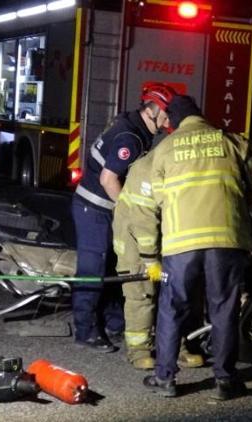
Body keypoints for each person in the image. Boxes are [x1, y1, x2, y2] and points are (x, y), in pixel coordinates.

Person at [139, 95, 252, 400]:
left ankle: (165, 378)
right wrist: (244, 203)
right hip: (226, 238)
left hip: (181, 242)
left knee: (172, 308)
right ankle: (225, 380)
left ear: (174, 122)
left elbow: (158, 197)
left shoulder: (165, 148)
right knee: (223, 308)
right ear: (199, 115)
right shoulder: (231, 141)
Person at [71, 83, 175, 352]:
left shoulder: (131, 124)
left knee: (112, 268)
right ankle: (85, 330)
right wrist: (127, 212)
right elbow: (109, 179)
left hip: (99, 208)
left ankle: (113, 322)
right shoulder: (131, 137)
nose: (170, 120)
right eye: (167, 114)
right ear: (153, 111)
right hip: (95, 210)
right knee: (93, 271)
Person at [112, 148, 204, 370]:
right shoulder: (146, 169)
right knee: (142, 294)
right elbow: (143, 222)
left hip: (167, 237)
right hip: (135, 241)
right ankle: (139, 351)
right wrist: (150, 260)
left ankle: (175, 348)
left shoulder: (187, 165)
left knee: (175, 294)